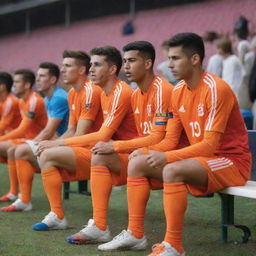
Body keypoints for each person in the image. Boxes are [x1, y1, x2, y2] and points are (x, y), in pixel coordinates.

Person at [97, 33, 251, 256]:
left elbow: (209, 146)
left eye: (176, 58)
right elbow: (170, 140)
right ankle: (135, 233)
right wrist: (147, 150)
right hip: (202, 159)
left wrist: (166, 157)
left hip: (230, 161)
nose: (169, 64)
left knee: (172, 169)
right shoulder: (178, 90)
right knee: (137, 164)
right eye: (169, 58)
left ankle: (174, 245)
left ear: (195, 59)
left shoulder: (216, 89)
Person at [66, 41, 173, 245]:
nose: (127, 67)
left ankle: (137, 233)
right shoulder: (135, 94)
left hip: (167, 158)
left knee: (49, 154)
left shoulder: (161, 90)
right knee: (100, 155)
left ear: (148, 63)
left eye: (132, 61)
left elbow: (159, 138)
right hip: (145, 155)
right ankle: (99, 226)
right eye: (125, 61)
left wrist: (115, 146)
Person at [31, 46, 138, 231]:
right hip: (103, 148)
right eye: (91, 65)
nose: (91, 69)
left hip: (120, 153)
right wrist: (50, 144)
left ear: (112, 69)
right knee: (42, 152)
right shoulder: (83, 92)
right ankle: (54, 213)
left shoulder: (101, 91)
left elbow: (90, 135)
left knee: (37, 152)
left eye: (96, 65)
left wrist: (54, 143)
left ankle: (96, 225)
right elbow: (73, 130)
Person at [1, 62, 69, 212]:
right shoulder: (44, 99)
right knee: (15, 150)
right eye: (37, 75)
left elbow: (46, 132)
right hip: (48, 139)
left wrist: (33, 142)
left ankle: (22, 198)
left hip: (58, 142)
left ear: (52, 80)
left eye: (42, 76)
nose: (37, 79)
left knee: (17, 150)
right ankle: (18, 195)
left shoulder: (52, 98)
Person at [0, 69, 48, 202]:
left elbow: (21, 130)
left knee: (9, 149)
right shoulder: (22, 101)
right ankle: (13, 192)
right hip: (26, 138)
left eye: (16, 82)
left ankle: (18, 194)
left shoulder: (33, 101)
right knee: (10, 150)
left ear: (27, 85)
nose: (13, 85)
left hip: (37, 139)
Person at [0, 72, 21, 137]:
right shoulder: (1, 101)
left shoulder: (11, 101)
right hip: (5, 133)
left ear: (4, 86)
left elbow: (4, 124)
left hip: (14, 135)